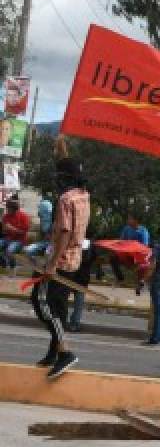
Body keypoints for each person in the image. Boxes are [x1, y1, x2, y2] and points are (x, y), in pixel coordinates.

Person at [32, 146, 90, 378]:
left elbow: (65, 232)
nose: (57, 181)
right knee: (57, 306)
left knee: (41, 301)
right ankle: (54, 352)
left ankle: (65, 352)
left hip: (62, 260)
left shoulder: (66, 199)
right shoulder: (84, 195)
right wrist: (62, 149)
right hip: (75, 260)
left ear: (65, 179)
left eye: (59, 177)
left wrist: (51, 264)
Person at [66, 229, 97, 332]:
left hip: (70, 275)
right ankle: (75, 323)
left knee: (63, 299)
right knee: (78, 304)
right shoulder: (91, 245)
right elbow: (93, 259)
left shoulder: (72, 241)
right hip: (83, 278)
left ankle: (61, 319)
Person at [114, 215, 150, 292]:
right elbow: (121, 241)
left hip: (138, 254)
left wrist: (134, 247)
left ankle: (141, 283)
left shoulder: (143, 231)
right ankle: (120, 278)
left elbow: (144, 246)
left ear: (136, 220)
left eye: (130, 219)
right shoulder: (126, 229)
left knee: (144, 264)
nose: (128, 220)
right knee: (113, 258)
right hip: (127, 252)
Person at [0, 194, 30, 275]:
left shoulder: (24, 217)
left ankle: (13, 267)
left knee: (9, 251)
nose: (7, 210)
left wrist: (13, 229)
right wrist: (4, 230)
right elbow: (3, 232)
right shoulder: (6, 216)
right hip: (8, 238)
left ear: (14, 209)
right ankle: (3, 263)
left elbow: (24, 232)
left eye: (8, 209)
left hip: (19, 240)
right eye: (7, 208)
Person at [20, 193, 54, 263]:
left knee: (48, 253)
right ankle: (36, 267)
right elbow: (40, 237)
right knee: (27, 250)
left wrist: (50, 235)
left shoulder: (55, 222)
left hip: (53, 244)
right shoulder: (42, 222)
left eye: (41, 209)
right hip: (44, 243)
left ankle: (47, 269)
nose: (39, 212)